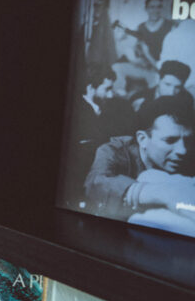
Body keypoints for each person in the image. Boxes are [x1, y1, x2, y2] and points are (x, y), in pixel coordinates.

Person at [82, 96, 195, 232]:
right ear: (142, 139)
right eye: (170, 140)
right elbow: (96, 183)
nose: (183, 150)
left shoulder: (190, 155)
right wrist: (162, 193)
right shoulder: (113, 151)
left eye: (188, 140)